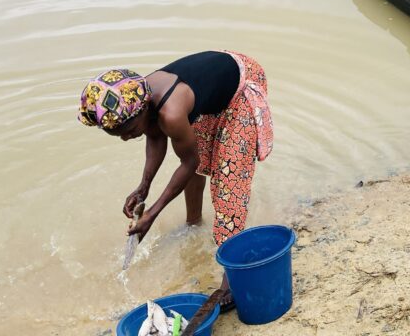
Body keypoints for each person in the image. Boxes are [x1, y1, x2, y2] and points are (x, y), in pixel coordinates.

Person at [78, 50, 272, 304]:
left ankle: (231, 279)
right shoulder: (139, 96)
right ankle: (193, 223)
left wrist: (152, 213)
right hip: (213, 85)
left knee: (228, 185)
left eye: (129, 131)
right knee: (196, 154)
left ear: (144, 109)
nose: (127, 138)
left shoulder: (170, 111)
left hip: (241, 87)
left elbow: (189, 163)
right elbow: (155, 135)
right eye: (120, 136)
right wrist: (143, 187)